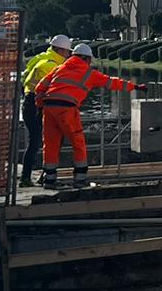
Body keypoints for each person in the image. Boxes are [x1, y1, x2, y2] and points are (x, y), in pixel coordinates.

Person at [34, 43, 142, 187]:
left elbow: (39, 88)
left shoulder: (59, 69)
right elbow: (111, 83)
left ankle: (49, 180)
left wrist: (40, 104)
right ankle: (79, 179)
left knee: (51, 144)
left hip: (49, 107)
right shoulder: (89, 73)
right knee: (78, 143)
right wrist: (134, 86)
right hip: (67, 109)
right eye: (90, 60)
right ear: (86, 59)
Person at [19, 34, 72, 185]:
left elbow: (25, 80)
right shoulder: (51, 66)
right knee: (52, 140)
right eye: (67, 52)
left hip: (29, 102)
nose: (68, 55)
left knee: (34, 141)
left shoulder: (39, 58)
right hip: (40, 105)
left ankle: (26, 177)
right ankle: (44, 177)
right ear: (60, 50)